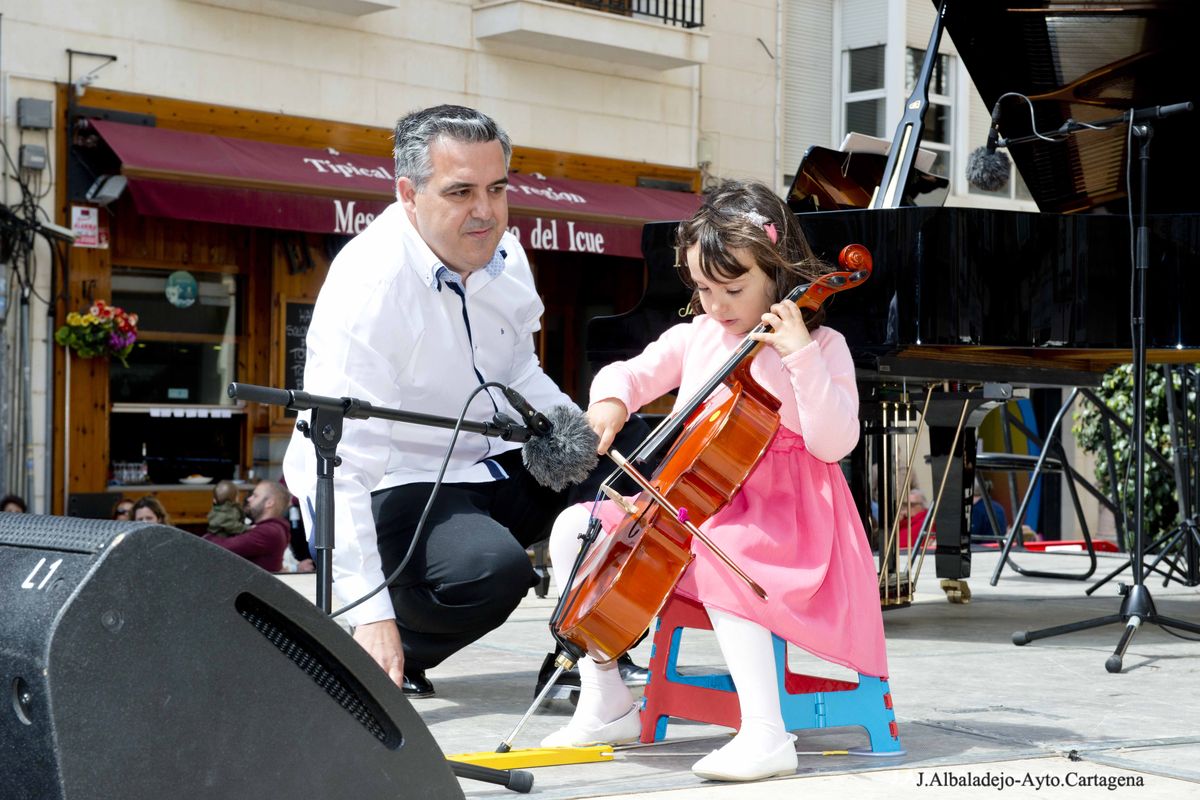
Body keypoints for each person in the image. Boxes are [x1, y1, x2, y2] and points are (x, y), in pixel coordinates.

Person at [281, 105, 646, 699]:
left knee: (636, 466)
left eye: (497, 189)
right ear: (409, 193)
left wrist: (577, 430)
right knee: (492, 572)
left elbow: (519, 369)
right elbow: (342, 469)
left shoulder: (508, 253)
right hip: (391, 485)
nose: (486, 212)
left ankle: (584, 658)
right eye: (461, 192)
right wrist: (368, 616)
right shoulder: (370, 288)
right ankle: (391, 647)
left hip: (485, 467)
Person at [539, 180, 889, 782]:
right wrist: (611, 402)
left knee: (727, 553)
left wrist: (799, 354)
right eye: (703, 289)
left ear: (778, 276)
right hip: (697, 510)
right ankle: (607, 699)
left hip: (786, 522)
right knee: (576, 529)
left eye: (734, 288)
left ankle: (766, 733)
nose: (717, 305)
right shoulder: (698, 338)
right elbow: (630, 371)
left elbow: (834, 442)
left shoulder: (821, 345)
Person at [203, 480, 291, 572]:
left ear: (269, 503)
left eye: (255, 496)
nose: (249, 499)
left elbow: (219, 548)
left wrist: (210, 534)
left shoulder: (269, 531)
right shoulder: (269, 528)